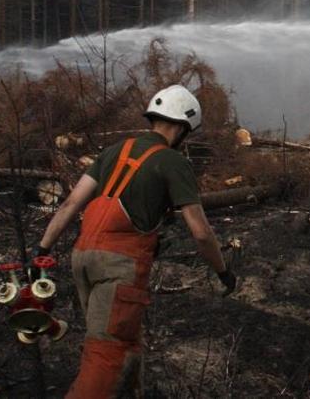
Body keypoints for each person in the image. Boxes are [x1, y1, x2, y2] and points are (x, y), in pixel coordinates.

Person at [33, 85, 237, 398]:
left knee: (123, 344)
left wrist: (42, 251)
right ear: (182, 127)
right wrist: (223, 272)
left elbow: (70, 204)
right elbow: (200, 231)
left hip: (83, 258)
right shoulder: (172, 162)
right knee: (107, 355)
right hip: (120, 266)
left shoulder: (115, 150)